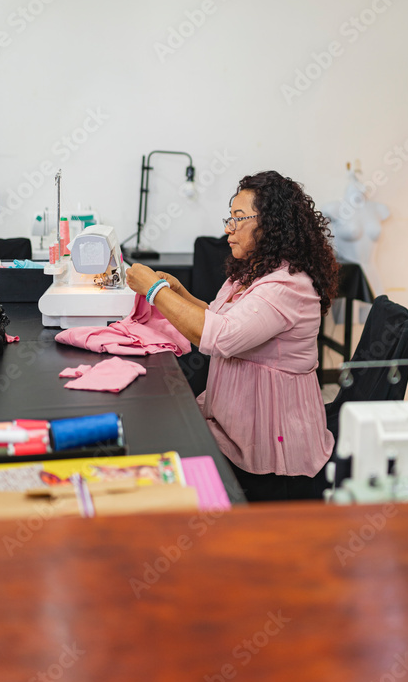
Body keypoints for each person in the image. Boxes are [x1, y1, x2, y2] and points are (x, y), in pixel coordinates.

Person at [126, 170, 338, 502]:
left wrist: (154, 291)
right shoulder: (253, 272)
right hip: (238, 427)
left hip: (274, 450)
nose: (228, 229)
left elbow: (219, 337)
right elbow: (219, 316)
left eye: (238, 219)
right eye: (230, 218)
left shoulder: (288, 285)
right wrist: (177, 292)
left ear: (270, 223)